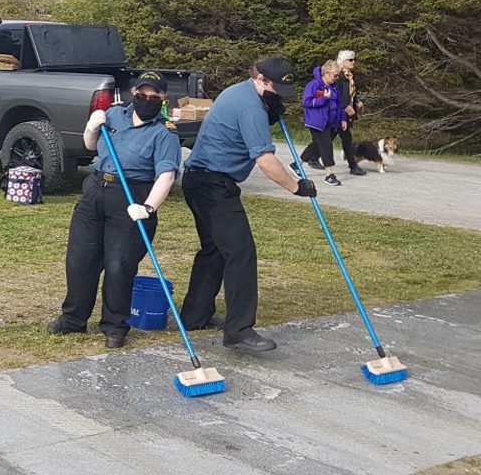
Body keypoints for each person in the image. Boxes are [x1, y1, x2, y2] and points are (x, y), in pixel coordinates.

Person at [179, 57, 317, 353]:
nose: (279, 94)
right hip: (213, 185)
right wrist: (297, 187)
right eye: (276, 88)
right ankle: (239, 330)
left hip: (199, 181)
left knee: (215, 250)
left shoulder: (240, 92)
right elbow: (266, 161)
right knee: (240, 252)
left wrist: (269, 109)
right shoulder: (250, 106)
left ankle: (195, 315)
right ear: (261, 80)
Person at [48, 72, 182, 349]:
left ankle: (114, 325)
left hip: (133, 196)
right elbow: (89, 146)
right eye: (141, 94)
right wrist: (92, 127)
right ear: (134, 92)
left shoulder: (164, 132)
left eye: (152, 96)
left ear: (162, 99)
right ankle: (73, 318)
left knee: (119, 265)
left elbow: (166, 175)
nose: (145, 99)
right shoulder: (114, 114)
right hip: (96, 190)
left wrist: (148, 207)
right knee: (80, 259)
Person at [295, 60, 347, 186]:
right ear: (326, 73)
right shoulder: (313, 85)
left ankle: (296, 164)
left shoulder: (334, 87)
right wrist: (323, 99)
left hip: (330, 122)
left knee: (317, 145)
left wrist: (342, 118)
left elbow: (339, 104)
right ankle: (329, 175)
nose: (336, 78)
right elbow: (307, 102)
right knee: (326, 145)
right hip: (316, 122)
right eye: (334, 75)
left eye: (337, 76)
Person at [335, 50, 366, 176]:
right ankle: (353, 166)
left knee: (341, 138)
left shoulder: (350, 76)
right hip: (341, 112)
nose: (354, 62)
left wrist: (357, 102)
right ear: (343, 62)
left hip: (347, 111)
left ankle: (309, 158)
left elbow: (351, 93)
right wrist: (346, 106)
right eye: (350, 60)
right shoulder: (340, 77)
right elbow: (339, 95)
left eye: (354, 60)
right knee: (345, 138)